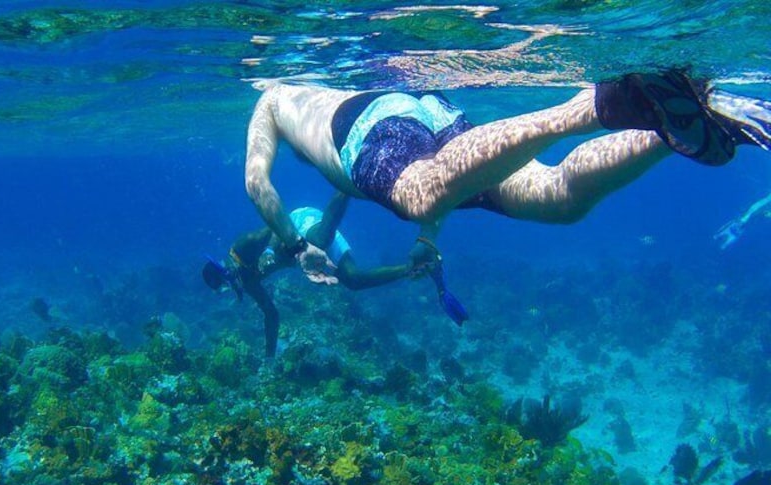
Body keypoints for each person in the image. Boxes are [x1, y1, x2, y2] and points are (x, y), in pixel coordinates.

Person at [244, 69, 771, 279]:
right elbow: (443, 164)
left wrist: (289, 242)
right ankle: (674, 126)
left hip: (366, 124)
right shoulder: (311, 89)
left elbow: (257, 184)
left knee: (420, 193)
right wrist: (431, 234)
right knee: (557, 198)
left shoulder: (274, 97)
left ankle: (594, 107)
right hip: (430, 109)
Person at [202, 192, 467, 357]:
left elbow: (272, 227)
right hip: (303, 253)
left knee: (318, 236)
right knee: (352, 281)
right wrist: (269, 356)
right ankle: (416, 268)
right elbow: (271, 313)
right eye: (229, 287)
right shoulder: (247, 282)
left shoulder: (243, 247)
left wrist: (282, 250)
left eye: (229, 281)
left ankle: (347, 184)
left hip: (299, 225)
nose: (235, 284)